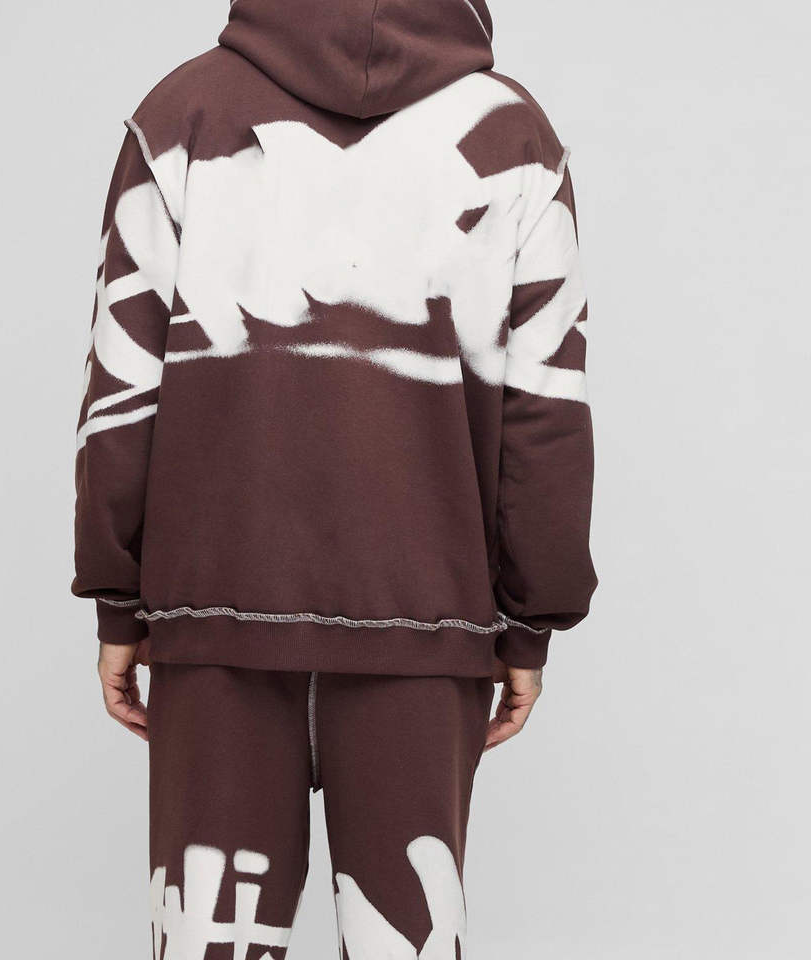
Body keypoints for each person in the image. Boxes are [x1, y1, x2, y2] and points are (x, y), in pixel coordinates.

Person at [72, 0, 597, 955]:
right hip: (427, 622)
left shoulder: (182, 113)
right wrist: (532, 620)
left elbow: (122, 385)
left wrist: (119, 600)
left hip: (214, 620)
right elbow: (545, 413)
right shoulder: (515, 136)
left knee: (210, 942)